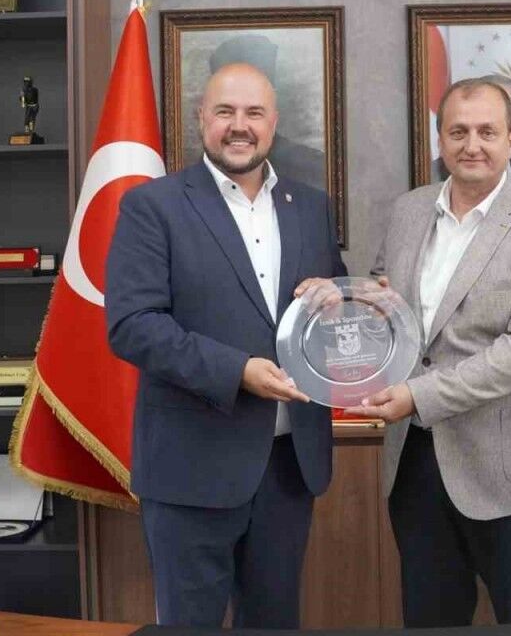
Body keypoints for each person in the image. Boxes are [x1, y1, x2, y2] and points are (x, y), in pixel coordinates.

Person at [106, 62, 346, 628]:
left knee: (274, 623)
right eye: (225, 112)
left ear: (273, 122)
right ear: (201, 120)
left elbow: (324, 310)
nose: (240, 126)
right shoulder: (153, 206)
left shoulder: (311, 206)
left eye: (254, 113)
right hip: (191, 468)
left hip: (288, 468)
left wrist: (342, 296)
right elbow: (133, 324)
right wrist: (237, 371)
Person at [347, 77, 511, 626]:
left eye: (486, 132)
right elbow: (389, 305)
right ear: (440, 139)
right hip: (415, 461)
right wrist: (340, 299)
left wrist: (418, 395)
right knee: (431, 620)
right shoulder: (409, 211)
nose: (471, 145)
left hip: (509, 469)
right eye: (458, 132)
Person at [208, 34, 327, 192]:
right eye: (226, 110)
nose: (239, 127)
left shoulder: (313, 168)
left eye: (253, 110)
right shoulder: (191, 182)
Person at [434, 73, 511, 191]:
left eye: (487, 133)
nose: (472, 148)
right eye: (458, 133)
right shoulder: (431, 176)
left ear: (510, 142)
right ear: (440, 143)